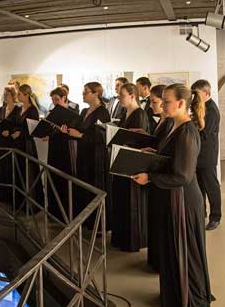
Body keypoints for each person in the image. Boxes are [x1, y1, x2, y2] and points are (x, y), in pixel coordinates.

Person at [132, 84, 213, 307]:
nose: (162, 105)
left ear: (181, 103)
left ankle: (187, 300)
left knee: (183, 252)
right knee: (174, 250)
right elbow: (172, 159)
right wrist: (154, 153)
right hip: (174, 198)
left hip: (183, 201)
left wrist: (149, 178)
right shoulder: (174, 126)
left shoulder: (187, 131)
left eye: (166, 101)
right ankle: (177, 294)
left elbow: (182, 176)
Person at [110, 83, 150, 252]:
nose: (119, 98)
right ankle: (121, 237)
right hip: (123, 159)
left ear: (132, 96)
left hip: (132, 163)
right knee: (121, 199)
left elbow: (138, 141)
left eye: (122, 95)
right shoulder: (124, 112)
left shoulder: (140, 114)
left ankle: (132, 240)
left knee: (130, 201)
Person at [63, 82, 110, 219]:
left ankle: (97, 221)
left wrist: (81, 135)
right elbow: (76, 128)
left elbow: (102, 136)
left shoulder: (102, 112)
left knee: (94, 186)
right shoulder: (84, 111)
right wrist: (67, 130)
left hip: (95, 156)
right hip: (83, 153)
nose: (83, 94)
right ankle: (85, 219)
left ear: (96, 94)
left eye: (86, 92)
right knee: (83, 185)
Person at [146, 84, 174, 271]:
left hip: (162, 179)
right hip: (158, 177)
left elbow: (168, 156)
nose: (152, 106)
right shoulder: (163, 121)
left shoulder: (172, 124)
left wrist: (150, 176)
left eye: (154, 102)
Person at [191, 79, 222, 231]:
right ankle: (201, 214)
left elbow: (204, 134)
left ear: (206, 93)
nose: (195, 97)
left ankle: (215, 217)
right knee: (199, 187)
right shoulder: (200, 106)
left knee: (211, 187)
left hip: (207, 155)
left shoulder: (212, 110)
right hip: (198, 154)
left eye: (197, 94)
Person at [45, 87, 76, 221]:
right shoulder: (52, 112)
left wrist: (62, 130)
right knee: (53, 176)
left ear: (64, 98)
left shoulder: (72, 112)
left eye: (57, 99)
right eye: (53, 100)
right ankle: (53, 210)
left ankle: (66, 212)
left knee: (64, 178)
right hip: (53, 147)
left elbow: (74, 132)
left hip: (65, 148)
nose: (55, 102)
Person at [13, 84, 43, 211]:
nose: (17, 96)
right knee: (19, 171)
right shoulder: (19, 109)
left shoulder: (32, 110)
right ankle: (20, 202)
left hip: (27, 145)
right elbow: (15, 124)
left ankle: (31, 204)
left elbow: (32, 129)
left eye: (19, 94)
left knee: (28, 172)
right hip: (17, 144)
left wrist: (20, 133)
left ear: (26, 95)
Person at [0, 87, 21, 204]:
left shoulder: (18, 110)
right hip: (1, 141)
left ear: (13, 96)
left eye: (8, 95)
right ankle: (2, 194)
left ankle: (11, 195)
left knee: (11, 167)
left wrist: (9, 132)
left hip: (12, 142)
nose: (5, 97)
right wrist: (0, 131)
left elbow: (19, 126)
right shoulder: (1, 109)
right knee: (0, 167)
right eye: (4, 95)